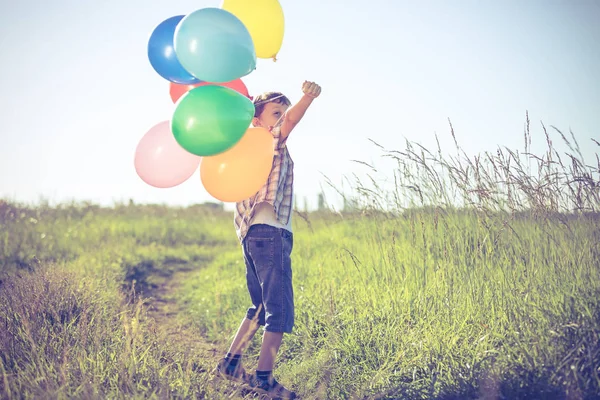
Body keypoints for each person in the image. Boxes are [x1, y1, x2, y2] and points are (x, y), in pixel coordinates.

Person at [214, 80, 322, 399]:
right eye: (276, 111)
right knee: (279, 308)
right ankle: (264, 380)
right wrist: (307, 98)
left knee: (261, 306)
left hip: (252, 235)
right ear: (256, 119)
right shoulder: (267, 140)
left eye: (284, 111)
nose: (283, 116)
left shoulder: (246, 149)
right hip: (270, 233)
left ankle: (231, 364)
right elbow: (290, 123)